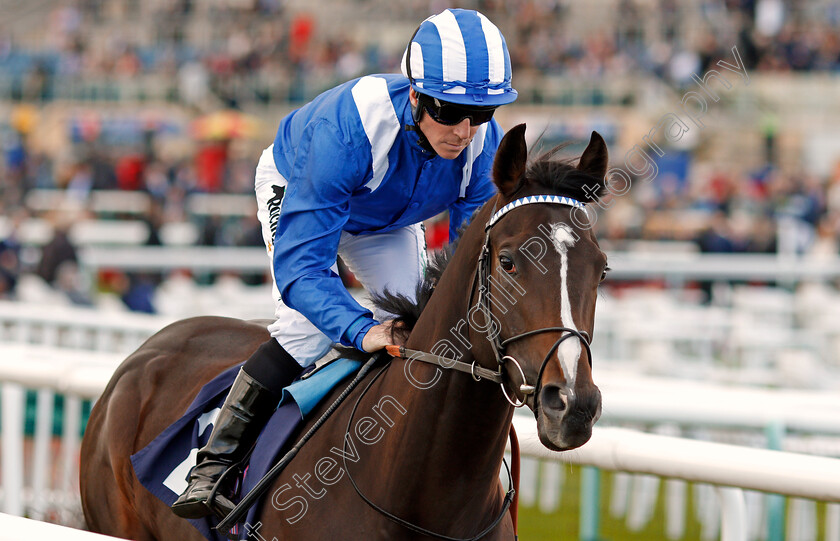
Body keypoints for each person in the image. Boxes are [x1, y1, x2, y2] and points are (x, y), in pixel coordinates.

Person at [172, 8, 518, 519]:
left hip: (386, 221)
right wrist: (359, 329)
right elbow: (302, 270)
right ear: (417, 96)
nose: (465, 131)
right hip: (300, 186)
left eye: (481, 114)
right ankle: (214, 462)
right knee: (306, 329)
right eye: (448, 111)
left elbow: (468, 257)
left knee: (421, 325)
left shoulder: (480, 144)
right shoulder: (349, 130)